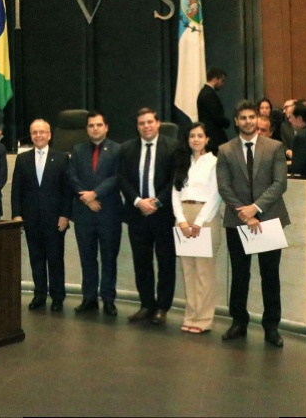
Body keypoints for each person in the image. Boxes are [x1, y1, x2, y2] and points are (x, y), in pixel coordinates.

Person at [217, 100, 289, 348]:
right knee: (239, 274)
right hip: (237, 221)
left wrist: (255, 208)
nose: (248, 122)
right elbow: (224, 187)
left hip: (268, 218)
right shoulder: (225, 150)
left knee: (270, 276)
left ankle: (271, 327)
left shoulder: (275, 147)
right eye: (243, 118)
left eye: (251, 117)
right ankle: (238, 322)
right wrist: (245, 214)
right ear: (236, 122)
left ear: (257, 119)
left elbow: (280, 184)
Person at [118, 107, 178, 325]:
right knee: (141, 263)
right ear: (137, 127)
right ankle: (146, 305)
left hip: (163, 215)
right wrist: (138, 201)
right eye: (142, 123)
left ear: (158, 123)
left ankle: (162, 307)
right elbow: (122, 178)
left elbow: (176, 179)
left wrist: (157, 202)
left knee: (166, 263)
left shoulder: (173, 146)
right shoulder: (126, 148)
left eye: (150, 122)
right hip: (137, 214)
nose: (146, 126)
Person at [11, 119, 71, 311]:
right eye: (35, 132)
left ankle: (57, 297)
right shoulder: (22, 159)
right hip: (31, 219)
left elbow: (67, 190)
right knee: (36, 259)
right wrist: (16, 215)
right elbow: (16, 190)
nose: (38, 135)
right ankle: (39, 295)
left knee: (55, 260)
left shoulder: (62, 158)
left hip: (55, 220)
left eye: (42, 132)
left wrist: (65, 215)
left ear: (49, 135)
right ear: (31, 136)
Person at [67, 111, 123, 316]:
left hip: (109, 213)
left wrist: (95, 194)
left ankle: (108, 300)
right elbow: (72, 176)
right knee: (87, 258)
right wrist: (87, 198)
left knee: (109, 259)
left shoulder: (118, 150)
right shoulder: (78, 149)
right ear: (86, 129)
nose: (95, 129)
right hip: (84, 214)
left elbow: (117, 177)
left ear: (106, 127)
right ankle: (89, 298)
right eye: (91, 125)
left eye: (99, 125)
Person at [171, 123, 223, 334]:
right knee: (188, 272)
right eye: (192, 136)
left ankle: (203, 319)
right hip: (184, 216)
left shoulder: (214, 162)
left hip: (205, 217)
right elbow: (175, 192)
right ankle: (190, 316)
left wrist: (198, 223)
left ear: (207, 139)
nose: (196, 139)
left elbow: (216, 195)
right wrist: (181, 220)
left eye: (200, 136)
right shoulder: (182, 162)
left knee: (204, 273)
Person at [196, 67, 230, 150]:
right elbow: (217, 116)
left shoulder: (205, 92)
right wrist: (227, 122)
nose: (223, 84)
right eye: (222, 81)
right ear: (215, 80)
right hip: (213, 137)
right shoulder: (209, 94)